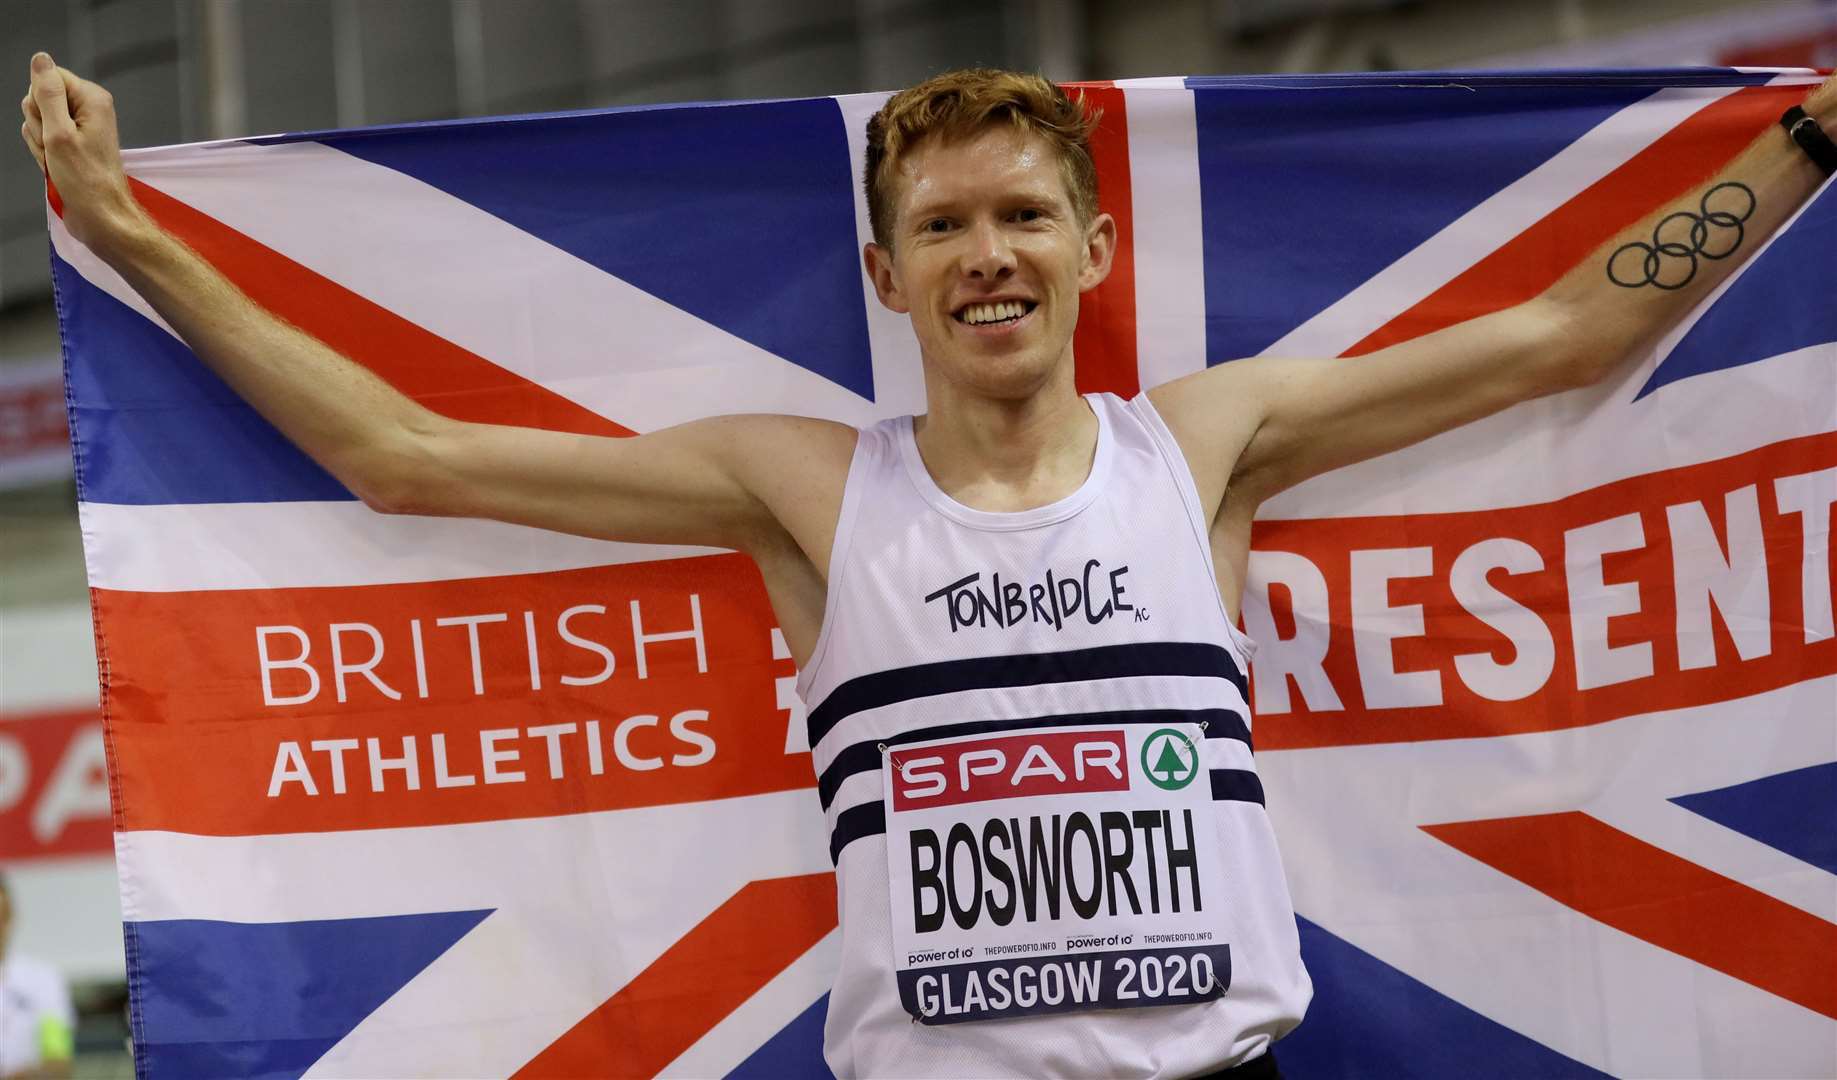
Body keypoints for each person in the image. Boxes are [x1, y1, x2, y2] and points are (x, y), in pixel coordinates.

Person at [21, 53, 1837, 1079]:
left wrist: (1806, 136)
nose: (989, 255)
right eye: (943, 226)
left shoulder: (1201, 444)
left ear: (1092, 245)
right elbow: (402, 462)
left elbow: (1557, 338)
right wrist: (130, 237)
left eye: (1023, 215)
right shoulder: (807, 489)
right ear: (887, 277)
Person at [0, 876, 74, 1080]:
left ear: (11, 917)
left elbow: (58, 1058)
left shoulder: (44, 980)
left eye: (1, 917)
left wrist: (34, 1075)